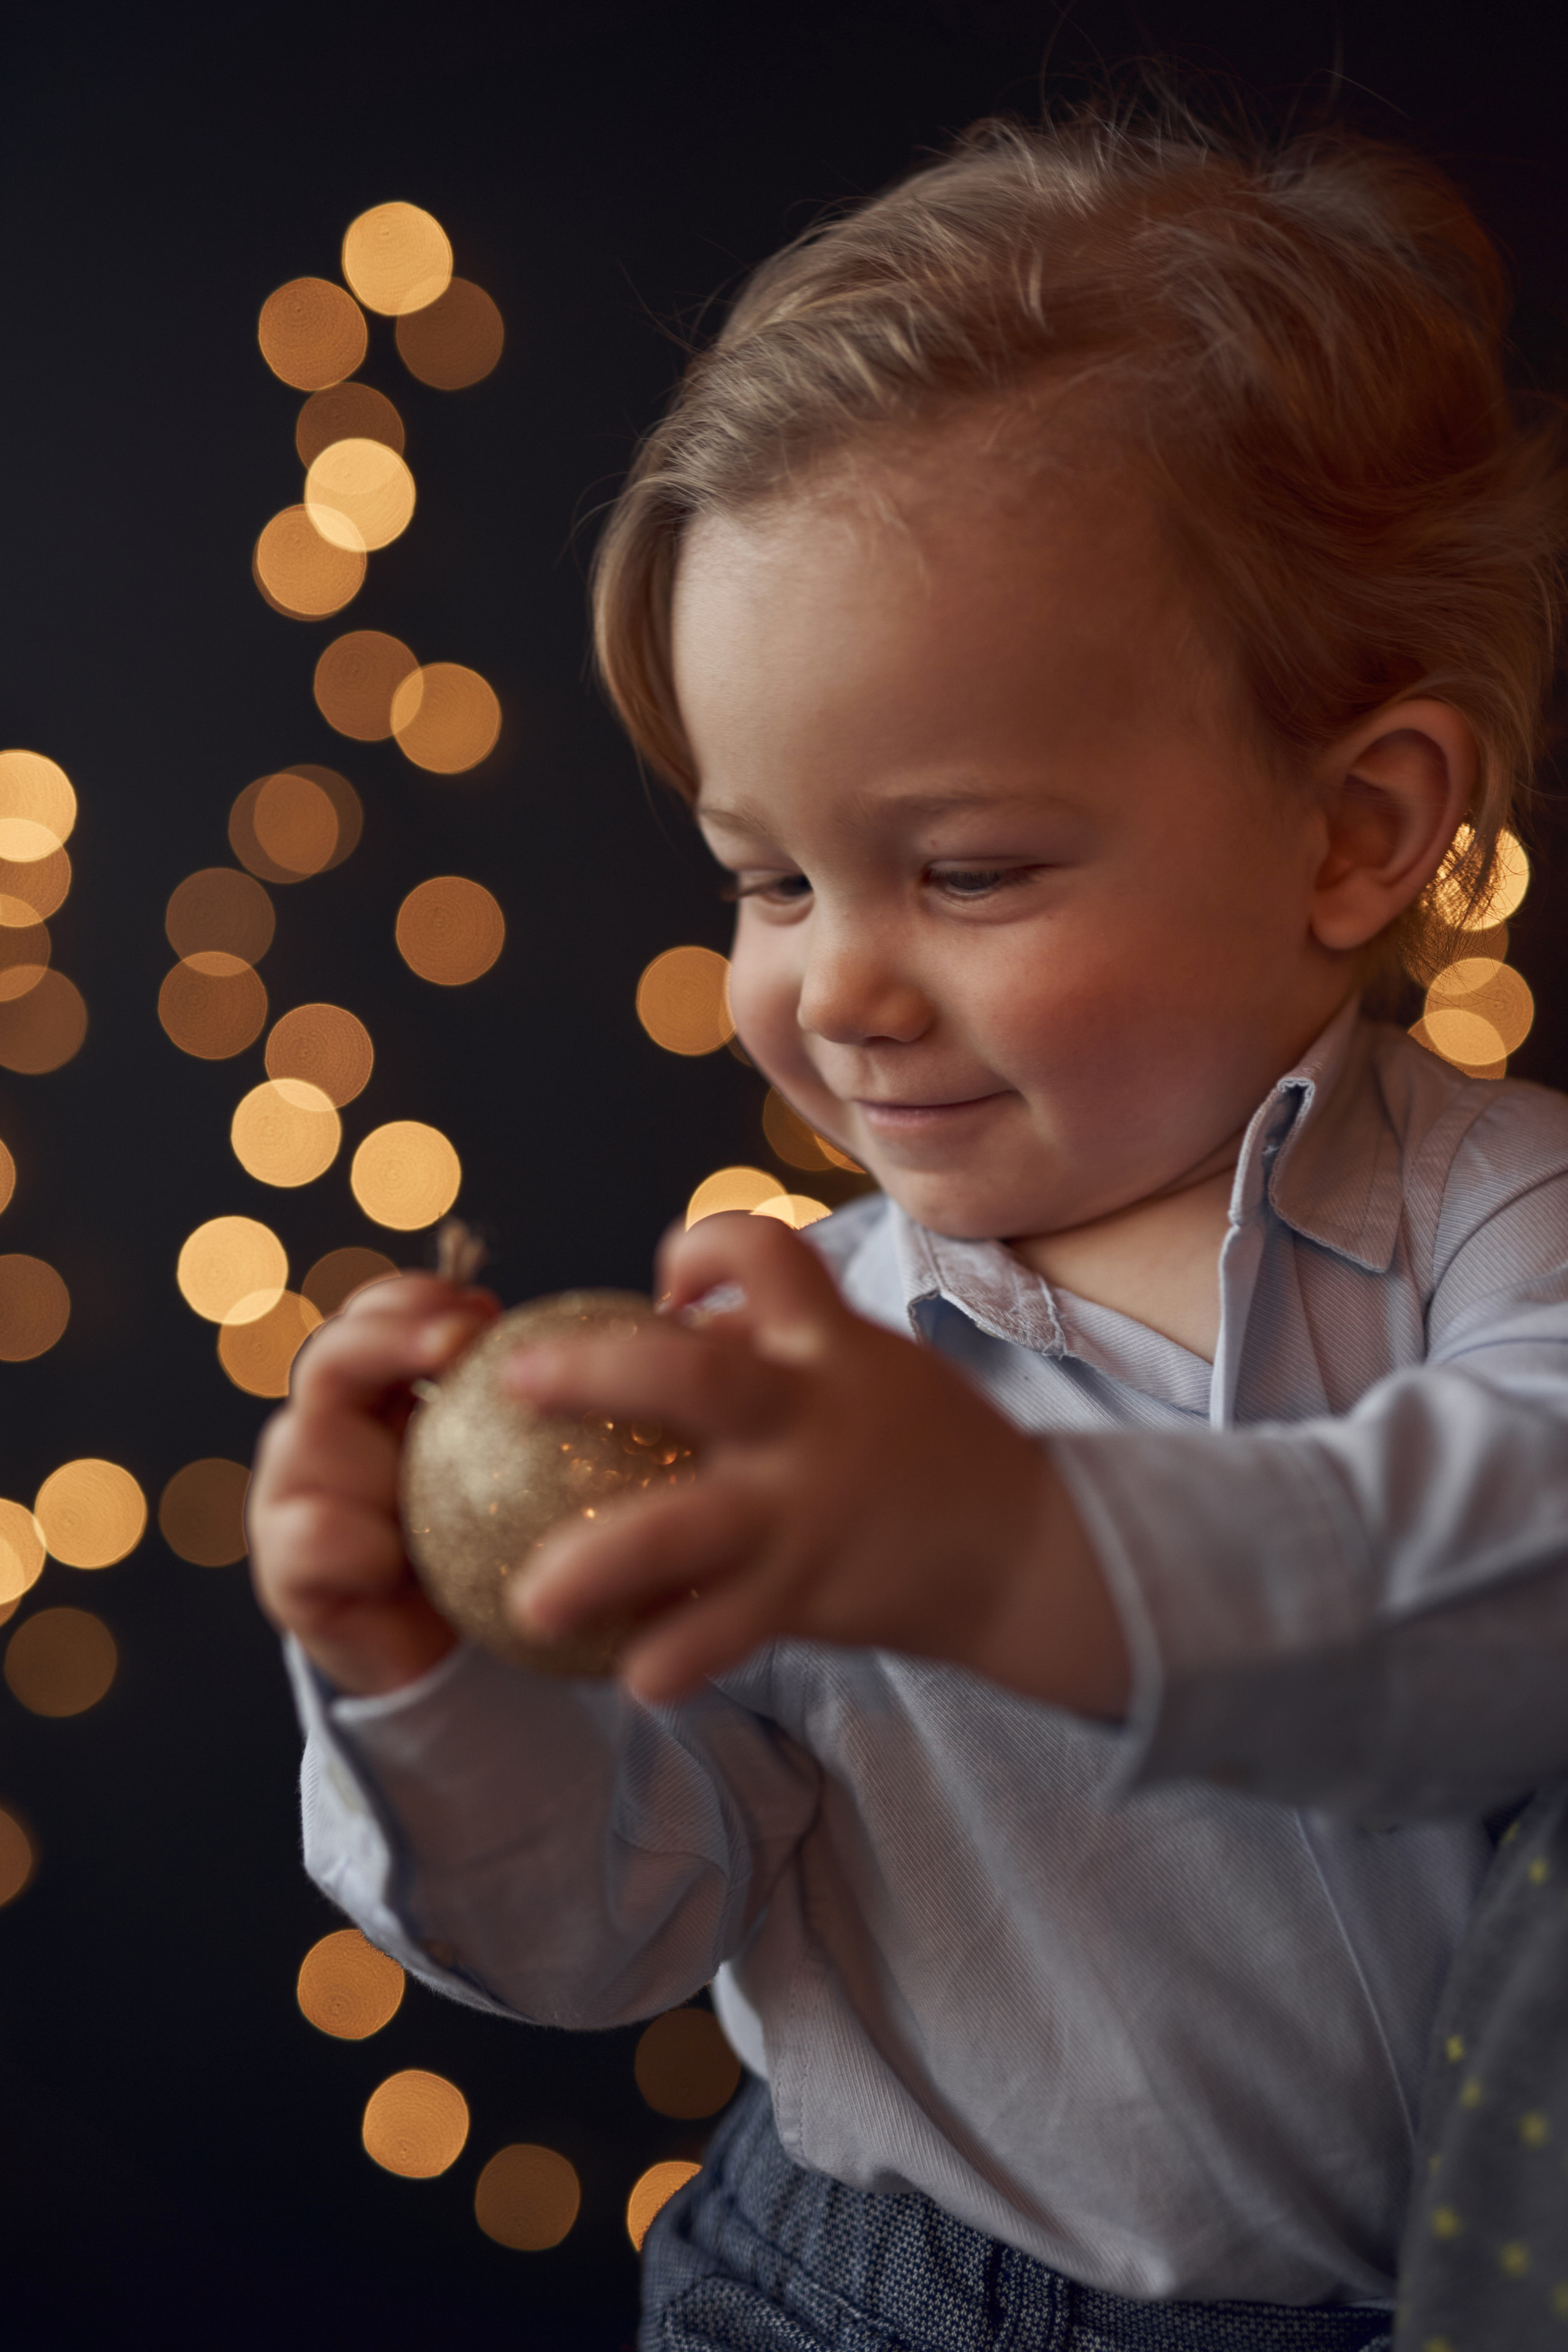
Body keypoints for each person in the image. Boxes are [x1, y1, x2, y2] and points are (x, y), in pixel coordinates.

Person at [250, 105, 1568, 2351]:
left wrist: (994, 1551)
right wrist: (423, 1678)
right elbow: (611, 1925)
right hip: (851, 2294)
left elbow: (1498, 1594)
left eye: (964, 870)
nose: (832, 990)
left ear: (1358, 830)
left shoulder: (1495, 1228)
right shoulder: (780, 1372)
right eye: (768, 879)